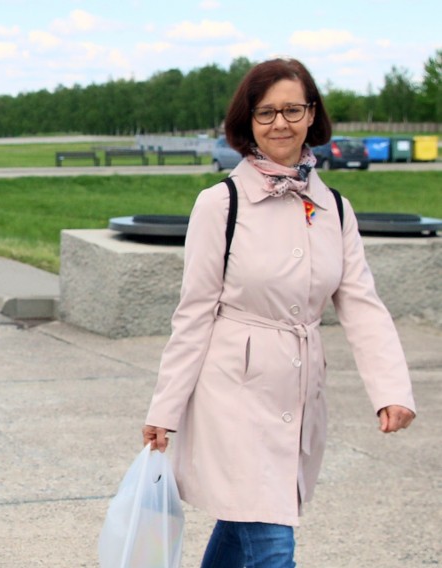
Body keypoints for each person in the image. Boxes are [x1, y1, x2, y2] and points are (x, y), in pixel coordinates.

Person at [141, 58, 416, 568]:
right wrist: (165, 407)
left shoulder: (335, 206)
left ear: (313, 115)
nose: (280, 123)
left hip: (299, 389)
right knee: (270, 543)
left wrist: (392, 390)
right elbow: (194, 313)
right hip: (233, 395)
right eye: (266, 113)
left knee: (248, 525)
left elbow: (362, 305)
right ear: (247, 123)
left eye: (293, 109)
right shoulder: (220, 203)